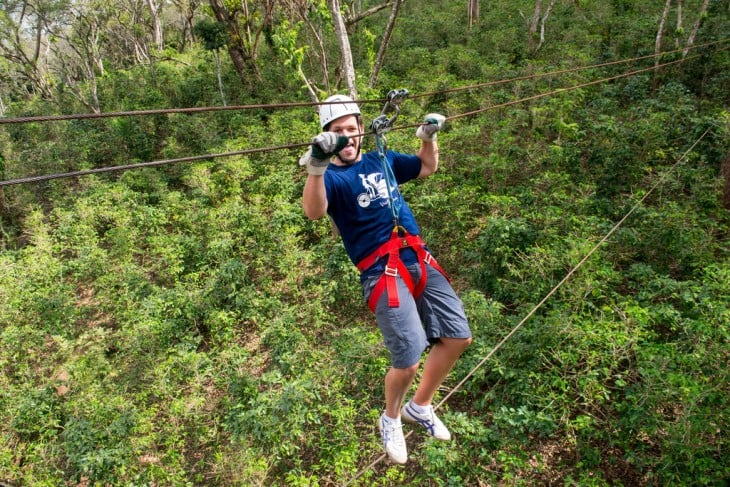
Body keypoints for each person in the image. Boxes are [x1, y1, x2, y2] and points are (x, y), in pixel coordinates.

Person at [300, 94, 472, 464]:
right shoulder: (334, 177)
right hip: (381, 270)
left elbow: (427, 168)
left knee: (458, 337)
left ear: (361, 131)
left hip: (418, 257)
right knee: (408, 357)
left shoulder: (383, 159)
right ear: (328, 137)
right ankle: (390, 418)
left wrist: (428, 137)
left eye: (351, 129)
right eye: (337, 132)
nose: (346, 137)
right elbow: (314, 212)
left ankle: (420, 407)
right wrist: (316, 166)